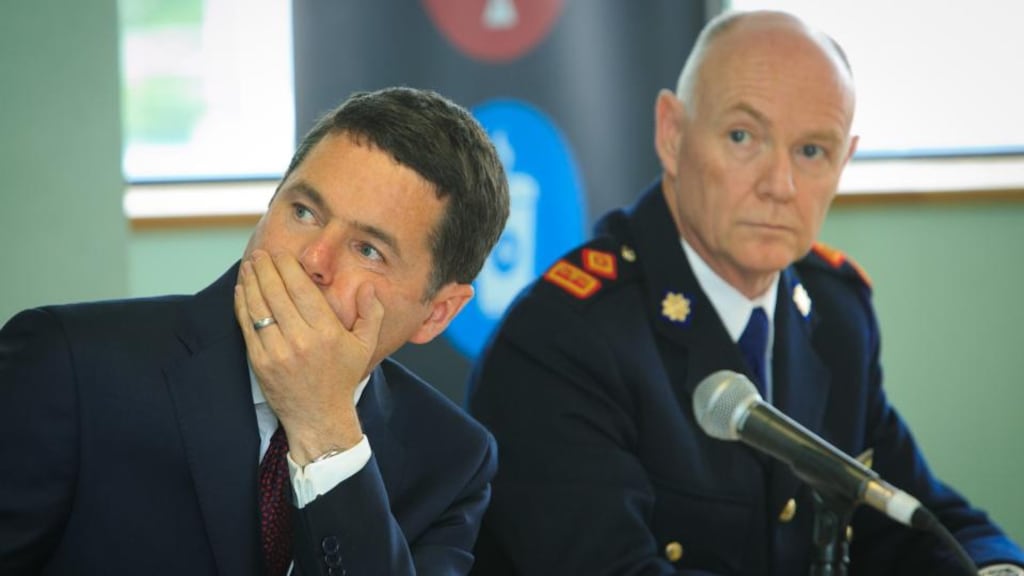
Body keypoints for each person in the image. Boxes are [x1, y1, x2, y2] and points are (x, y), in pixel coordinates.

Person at [467, 10, 1024, 576]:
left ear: (844, 162)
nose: (779, 185)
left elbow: (913, 518)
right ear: (672, 134)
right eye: (743, 137)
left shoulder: (835, 314)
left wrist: (995, 569)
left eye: (812, 151)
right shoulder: (563, 338)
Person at [0, 87, 510, 575]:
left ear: (436, 314)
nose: (314, 259)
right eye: (304, 211)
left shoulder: (452, 461)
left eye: (368, 250)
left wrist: (326, 435)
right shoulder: (69, 367)